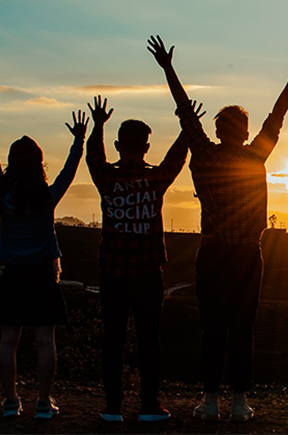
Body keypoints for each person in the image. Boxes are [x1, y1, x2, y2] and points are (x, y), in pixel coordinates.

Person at [147, 35, 288, 422]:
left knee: (212, 328)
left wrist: (168, 68)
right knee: (243, 328)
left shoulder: (204, 154)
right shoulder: (255, 154)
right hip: (246, 256)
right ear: (243, 131)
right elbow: (278, 115)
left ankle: (209, 400)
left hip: (212, 254)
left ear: (218, 129)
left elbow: (184, 113)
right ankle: (240, 401)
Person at [86, 95, 196, 422]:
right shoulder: (155, 179)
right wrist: (186, 126)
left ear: (119, 145)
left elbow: (93, 156)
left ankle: (112, 407)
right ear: (147, 147)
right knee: (150, 341)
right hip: (148, 274)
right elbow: (177, 157)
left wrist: (97, 126)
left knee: (113, 340)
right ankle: (149, 405)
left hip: (112, 273)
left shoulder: (106, 179)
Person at [0, 111, 87, 419]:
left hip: (13, 274)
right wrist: (78, 142)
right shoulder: (47, 197)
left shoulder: (1, 195)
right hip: (44, 274)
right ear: (38, 162)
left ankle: (10, 401)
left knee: (8, 340)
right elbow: (69, 173)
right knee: (45, 341)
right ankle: (44, 403)